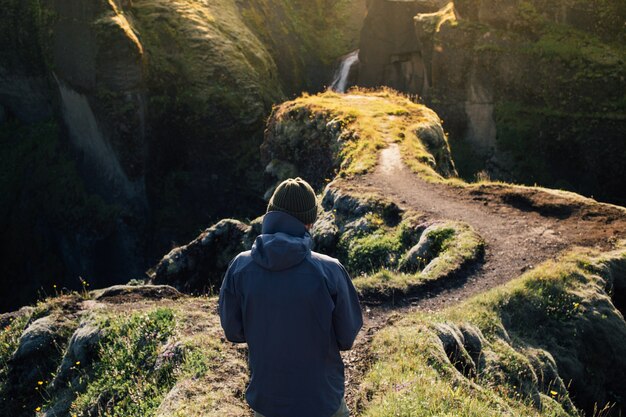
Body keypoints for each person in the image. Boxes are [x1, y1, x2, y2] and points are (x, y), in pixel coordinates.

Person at [218, 177, 363, 417]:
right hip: (322, 401)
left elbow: (233, 331)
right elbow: (347, 337)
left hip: (268, 402)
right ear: (309, 222)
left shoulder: (240, 268)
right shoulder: (330, 270)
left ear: (270, 215)